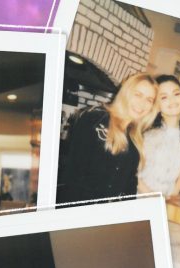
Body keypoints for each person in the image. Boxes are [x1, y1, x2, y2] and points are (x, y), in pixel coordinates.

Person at [56, 73, 158, 204]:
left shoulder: (135, 137)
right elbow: (73, 175)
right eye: (138, 95)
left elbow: (130, 184)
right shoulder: (94, 118)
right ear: (126, 93)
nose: (142, 104)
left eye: (149, 100)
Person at [138, 74, 180, 197]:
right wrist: (151, 197)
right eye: (164, 97)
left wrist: (175, 193)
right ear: (157, 105)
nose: (172, 100)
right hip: (141, 195)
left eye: (176, 94)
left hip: (168, 196)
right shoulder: (148, 131)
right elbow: (132, 170)